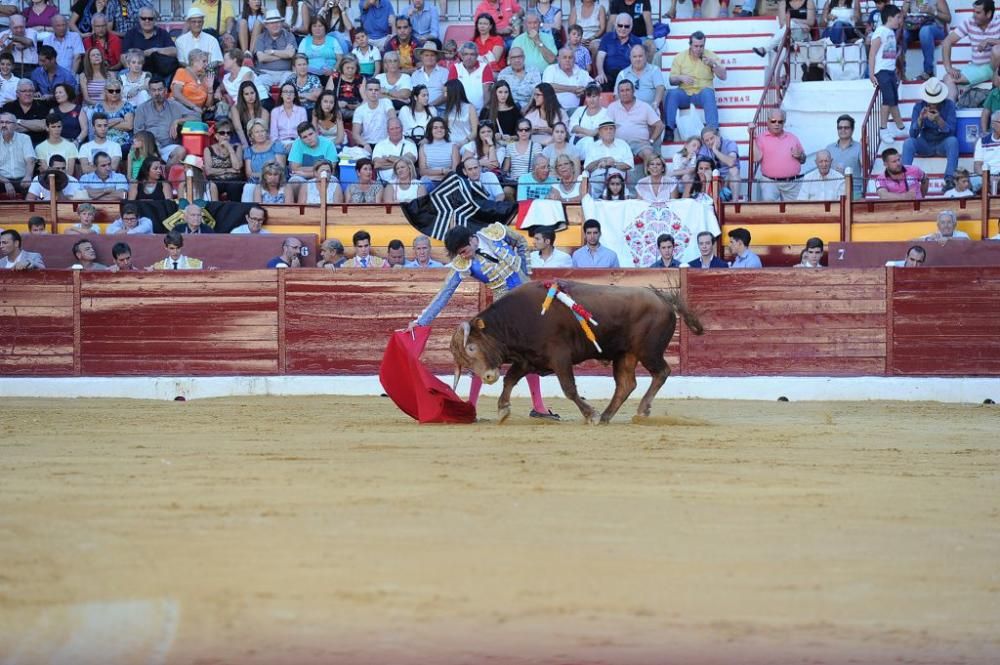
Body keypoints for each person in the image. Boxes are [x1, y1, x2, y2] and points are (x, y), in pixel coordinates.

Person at [406, 223, 560, 421]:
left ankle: (538, 407)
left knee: (529, 353)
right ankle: (471, 408)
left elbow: (520, 241)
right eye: (459, 254)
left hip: (528, 301)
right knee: (483, 355)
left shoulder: (494, 233)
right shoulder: (463, 264)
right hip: (503, 309)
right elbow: (444, 294)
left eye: (464, 251)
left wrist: (525, 270)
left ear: (472, 239)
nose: (464, 256)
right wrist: (420, 321)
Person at [664, 31, 725, 144]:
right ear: (690, 45)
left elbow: (723, 76)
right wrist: (680, 77)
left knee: (708, 92)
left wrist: (714, 64)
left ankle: (713, 130)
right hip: (684, 92)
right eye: (696, 46)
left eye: (701, 46)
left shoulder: (711, 56)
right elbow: (671, 80)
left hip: (702, 93)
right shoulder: (680, 57)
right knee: (671, 93)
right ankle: (669, 129)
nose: (698, 49)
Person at [903, 77, 959, 189]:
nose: (933, 103)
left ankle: (949, 180)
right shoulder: (918, 107)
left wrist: (939, 121)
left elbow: (952, 131)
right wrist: (920, 120)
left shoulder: (949, 105)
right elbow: (912, 135)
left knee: (953, 142)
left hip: (943, 142)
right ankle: (904, 178)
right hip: (925, 143)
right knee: (908, 143)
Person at [941, 0, 1000, 101]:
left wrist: (990, 41)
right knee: (948, 78)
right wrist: (948, 67)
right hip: (979, 68)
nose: (974, 15)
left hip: (997, 68)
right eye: (974, 11)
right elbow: (947, 42)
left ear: (989, 13)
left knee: (996, 50)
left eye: (978, 12)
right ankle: (951, 109)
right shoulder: (969, 22)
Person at [134, 77, 199, 167]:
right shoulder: (142, 109)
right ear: (149, 92)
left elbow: (196, 116)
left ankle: (167, 176)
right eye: (154, 90)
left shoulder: (175, 106)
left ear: (165, 90)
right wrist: (150, 143)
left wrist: (178, 121)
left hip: (168, 146)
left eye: (160, 90)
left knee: (181, 151)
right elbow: (138, 133)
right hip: (149, 147)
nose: (157, 93)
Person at [868, 5, 906, 146]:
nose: (900, 20)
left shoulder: (890, 32)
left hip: (890, 71)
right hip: (882, 71)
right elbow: (872, 53)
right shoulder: (880, 31)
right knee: (888, 100)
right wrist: (871, 73)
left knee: (894, 100)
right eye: (898, 17)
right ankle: (883, 129)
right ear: (890, 18)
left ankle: (900, 127)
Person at [606, 78, 661, 168]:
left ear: (633, 91)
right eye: (622, 91)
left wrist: (651, 140)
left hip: (640, 143)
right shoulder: (612, 107)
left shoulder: (644, 106)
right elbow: (606, 127)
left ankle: (649, 181)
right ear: (618, 93)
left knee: (649, 155)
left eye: (628, 90)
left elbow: (659, 125)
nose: (625, 93)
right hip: (618, 144)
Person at [755, 109, 806, 201]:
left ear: (784, 122)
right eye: (773, 121)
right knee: (770, 211)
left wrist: (800, 156)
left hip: (792, 184)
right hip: (770, 182)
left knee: (794, 211)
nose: (776, 124)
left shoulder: (793, 138)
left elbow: (803, 160)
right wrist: (752, 138)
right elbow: (756, 158)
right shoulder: (760, 138)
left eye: (780, 121)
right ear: (768, 121)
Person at [121, 7, 178, 80]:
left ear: (155, 20)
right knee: (122, 73)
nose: (147, 21)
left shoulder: (163, 33)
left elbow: (174, 51)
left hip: (160, 73)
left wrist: (154, 50)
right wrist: (133, 71)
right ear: (139, 19)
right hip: (137, 71)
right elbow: (123, 56)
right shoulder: (131, 34)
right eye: (143, 18)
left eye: (150, 18)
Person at [582, 119, 633, 196]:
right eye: (605, 129)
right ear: (600, 132)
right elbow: (587, 168)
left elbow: (629, 165)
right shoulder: (592, 146)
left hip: (617, 180)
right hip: (597, 179)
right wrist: (600, 161)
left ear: (615, 131)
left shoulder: (623, 145)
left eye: (611, 129)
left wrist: (613, 164)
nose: (609, 131)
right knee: (589, 193)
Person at [596, 13, 640, 91]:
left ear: (631, 27)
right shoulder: (607, 37)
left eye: (626, 26)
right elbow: (600, 57)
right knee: (597, 85)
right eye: (620, 25)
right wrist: (601, 73)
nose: (623, 28)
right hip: (608, 75)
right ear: (615, 25)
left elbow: (639, 61)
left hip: (628, 76)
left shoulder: (636, 41)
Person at [447, 41, 494, 113]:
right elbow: (451, 92)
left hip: (480, 111)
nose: (469, 57)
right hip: (459, 111)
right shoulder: (455, 68)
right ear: (461, 56)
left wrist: (482, 112)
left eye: (472, 54)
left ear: (477, 56)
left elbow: (487, 91)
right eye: (466, 54)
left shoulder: (484, 67)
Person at [614, 44, 664, 111]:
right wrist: (623, 109)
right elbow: (617, 95)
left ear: (645, 56)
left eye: (640, 56)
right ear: (630, 58)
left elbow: (660, 88)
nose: (637, 59)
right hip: (628, 111)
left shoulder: (654, 70)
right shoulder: (622, 74)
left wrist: (656, 103)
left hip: (649, 110)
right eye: (634, 57)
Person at [543, 47, 591, 114]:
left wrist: (584, 90)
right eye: (564, 57)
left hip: (574, 111)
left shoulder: (582, 73)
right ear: (558, 59)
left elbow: (596, 86)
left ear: (574, 60)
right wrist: (573, 89)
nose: (567, 60)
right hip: (554, 110)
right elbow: (547, 88)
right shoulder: (551, 69)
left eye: (570, 57)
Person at [353, 78, 396, 152]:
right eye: (370, 90)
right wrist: (365, 144)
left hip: (385, 144)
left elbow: (393, 118)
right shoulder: (359, 110)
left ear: (380, 91)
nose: (373, 92)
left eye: (376, 90)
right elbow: (355, 134)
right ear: (366, 91)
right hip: (367, 144)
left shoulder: (386, 102)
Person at [827, 114, 863, 200]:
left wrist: (866, 148)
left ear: (852, 130)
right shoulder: (829, 148)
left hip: (854, 190)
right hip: (832, 189)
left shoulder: (860, 147)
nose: (843, 130)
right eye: (840, 128)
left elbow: (866, 166)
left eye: (846, 128)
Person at [418, 116, 459, 190]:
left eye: (442, 127)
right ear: (430, 130)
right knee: (424, 181)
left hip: (447, 181)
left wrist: (432, 173)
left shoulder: (453, 146)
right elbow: (422, 172)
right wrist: (442, 171)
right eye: (435, 128)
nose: (439, 130)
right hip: (430, 181)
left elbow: (455, 171)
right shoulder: (424, 147)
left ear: (445, 130)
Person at [3, 80, 48, 145]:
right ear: (17, 93)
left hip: (38, 144)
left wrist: (18, 121)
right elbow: (6, 127)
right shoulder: (8, 107)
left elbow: (43, 126)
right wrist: (34, 126)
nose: (28, 93)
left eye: (30, 91)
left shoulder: (42, 106)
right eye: (24, 91)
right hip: (13, 144)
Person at [372, 117, 417, 182]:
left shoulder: (410, 144)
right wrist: (401, 163)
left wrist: (388, 158)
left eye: (397, 128)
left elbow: (410, 161)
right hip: (383, 183)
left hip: (405, 182)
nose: (395, 131)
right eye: (392, 129)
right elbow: (377, 164)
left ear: (402, 128)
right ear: (387, 131)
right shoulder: (380, 145)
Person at [0, 112, 35, 195]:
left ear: (15, 126)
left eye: (8, 122)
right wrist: (6, 182)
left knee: (36, 189)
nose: (4, 125)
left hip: (22, 179)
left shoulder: (24, 138)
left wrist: (28, 176)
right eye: (1, 122)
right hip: (1, 180)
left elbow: (30, 160)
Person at [298, 16, 341, 80]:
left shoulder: (333, 41)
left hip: (329, 75)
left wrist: (333, 70)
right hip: (308, 75)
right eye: (314, 26)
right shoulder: (305, 41)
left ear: (325, 27)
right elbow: (299, 59)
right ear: (311, 28)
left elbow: (340, 59)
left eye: (320, 26)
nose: (317, 29)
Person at [326, 54, 364, 123]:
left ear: (357, 68)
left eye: (353, 68)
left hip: (356, 110)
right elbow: (326, 97)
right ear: (342, 67)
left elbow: (365, 99)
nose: (350, 70)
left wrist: (358, 107)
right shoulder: (335, 77)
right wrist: (336, 104)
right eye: (347, 68)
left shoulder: (360, 78)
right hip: (337, 108)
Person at [568, 82, 608, 147]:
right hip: (577, 143)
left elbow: (604, 132)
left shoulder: (606, 112)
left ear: (599, 96)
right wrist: (591, 133)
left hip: (597, 145)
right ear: (585, 98)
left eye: (594, 96)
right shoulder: (580, 110)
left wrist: (585, 134)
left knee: (589, 142)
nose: (591, 100)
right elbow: (573, 128)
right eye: (589, 96)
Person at [411, 43, 447, 110]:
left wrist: (431, 105)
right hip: (421, 110)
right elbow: (414, 95)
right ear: (422, 57)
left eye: (432, 55)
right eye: (426, 55)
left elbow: (446, 94)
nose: (429, 58)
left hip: (439, 109)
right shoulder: (415, 75)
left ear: (436, 57)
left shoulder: (444, 72)